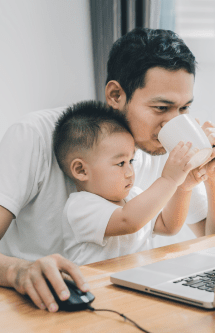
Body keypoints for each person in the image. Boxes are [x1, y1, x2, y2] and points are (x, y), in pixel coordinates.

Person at [0, 28, 215, 313]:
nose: (172, 122)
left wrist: (214, 178)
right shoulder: (36, 134)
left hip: (123, 302)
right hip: (38, 309)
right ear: (115, 94)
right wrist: (19, 271)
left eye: (184, 108)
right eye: (161, 107)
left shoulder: (165, 146)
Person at [54, 101, 205, 265]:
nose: (130, 172)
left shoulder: (135, 196)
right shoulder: (80, 207)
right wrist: (169, 179)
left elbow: (168, 226)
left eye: (131, 160)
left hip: (137, 282)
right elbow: (128, 221)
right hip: (96, 289)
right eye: (120, 163)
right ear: (81, 170)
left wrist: (182, 187)